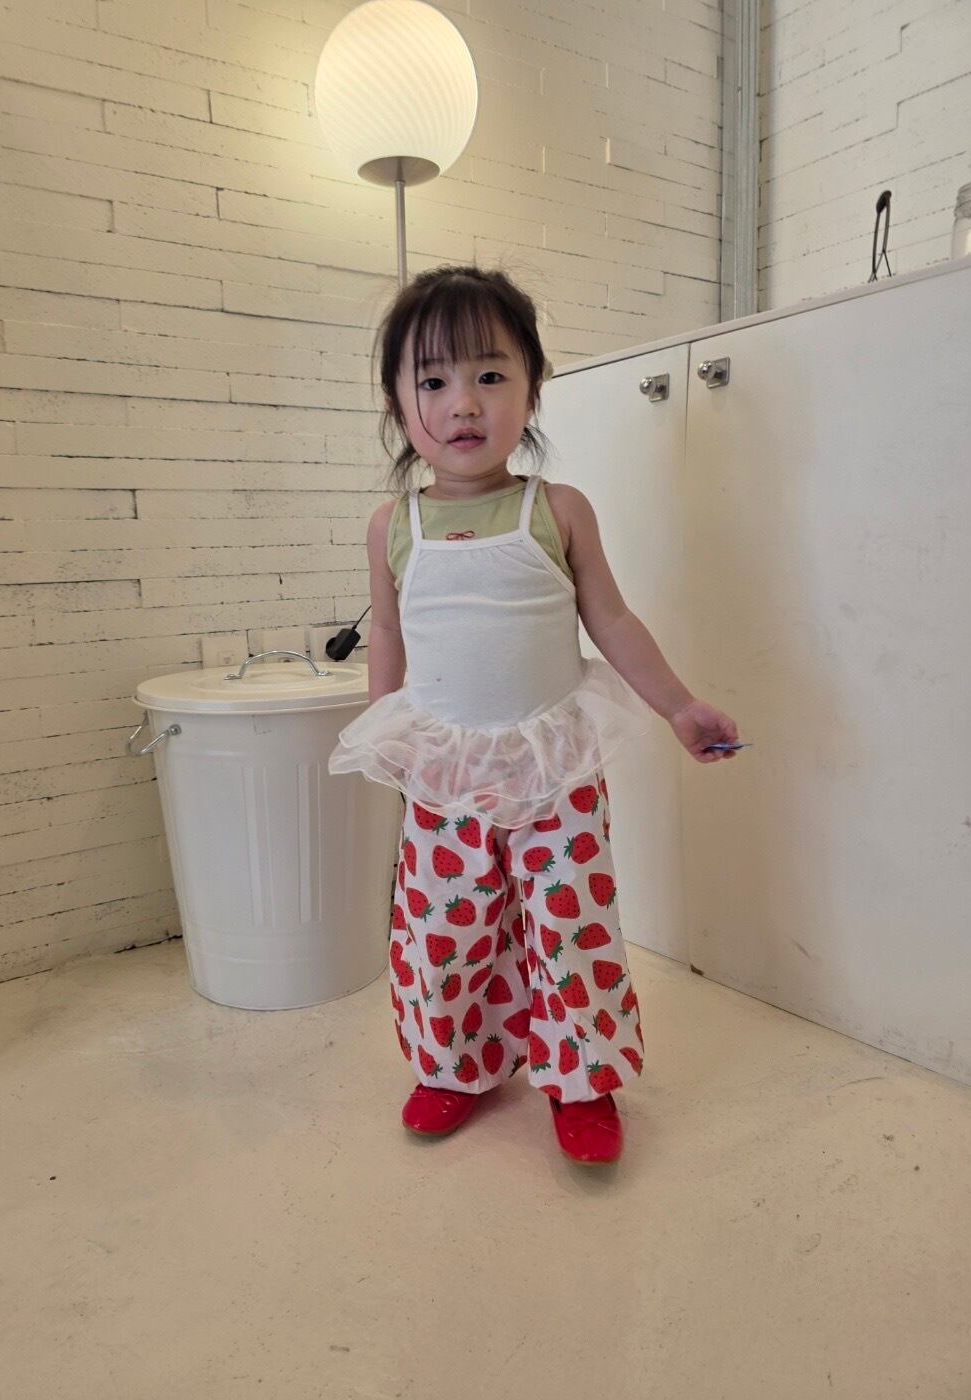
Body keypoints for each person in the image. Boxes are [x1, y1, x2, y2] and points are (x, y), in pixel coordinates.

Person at [329, 263, 740, 1166]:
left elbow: (613, 621)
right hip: (446, 772)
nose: (464, 402)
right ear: (398, 404)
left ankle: (582, 1080)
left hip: (555, 765)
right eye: (433, 380)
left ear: (533, 387)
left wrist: (678, 706)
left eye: (490, 373)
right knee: (444, 930)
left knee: (570, 927)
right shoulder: (392, 526)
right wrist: (387, 737)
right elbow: (387, 634)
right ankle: (455, 1065)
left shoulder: (557, 510)